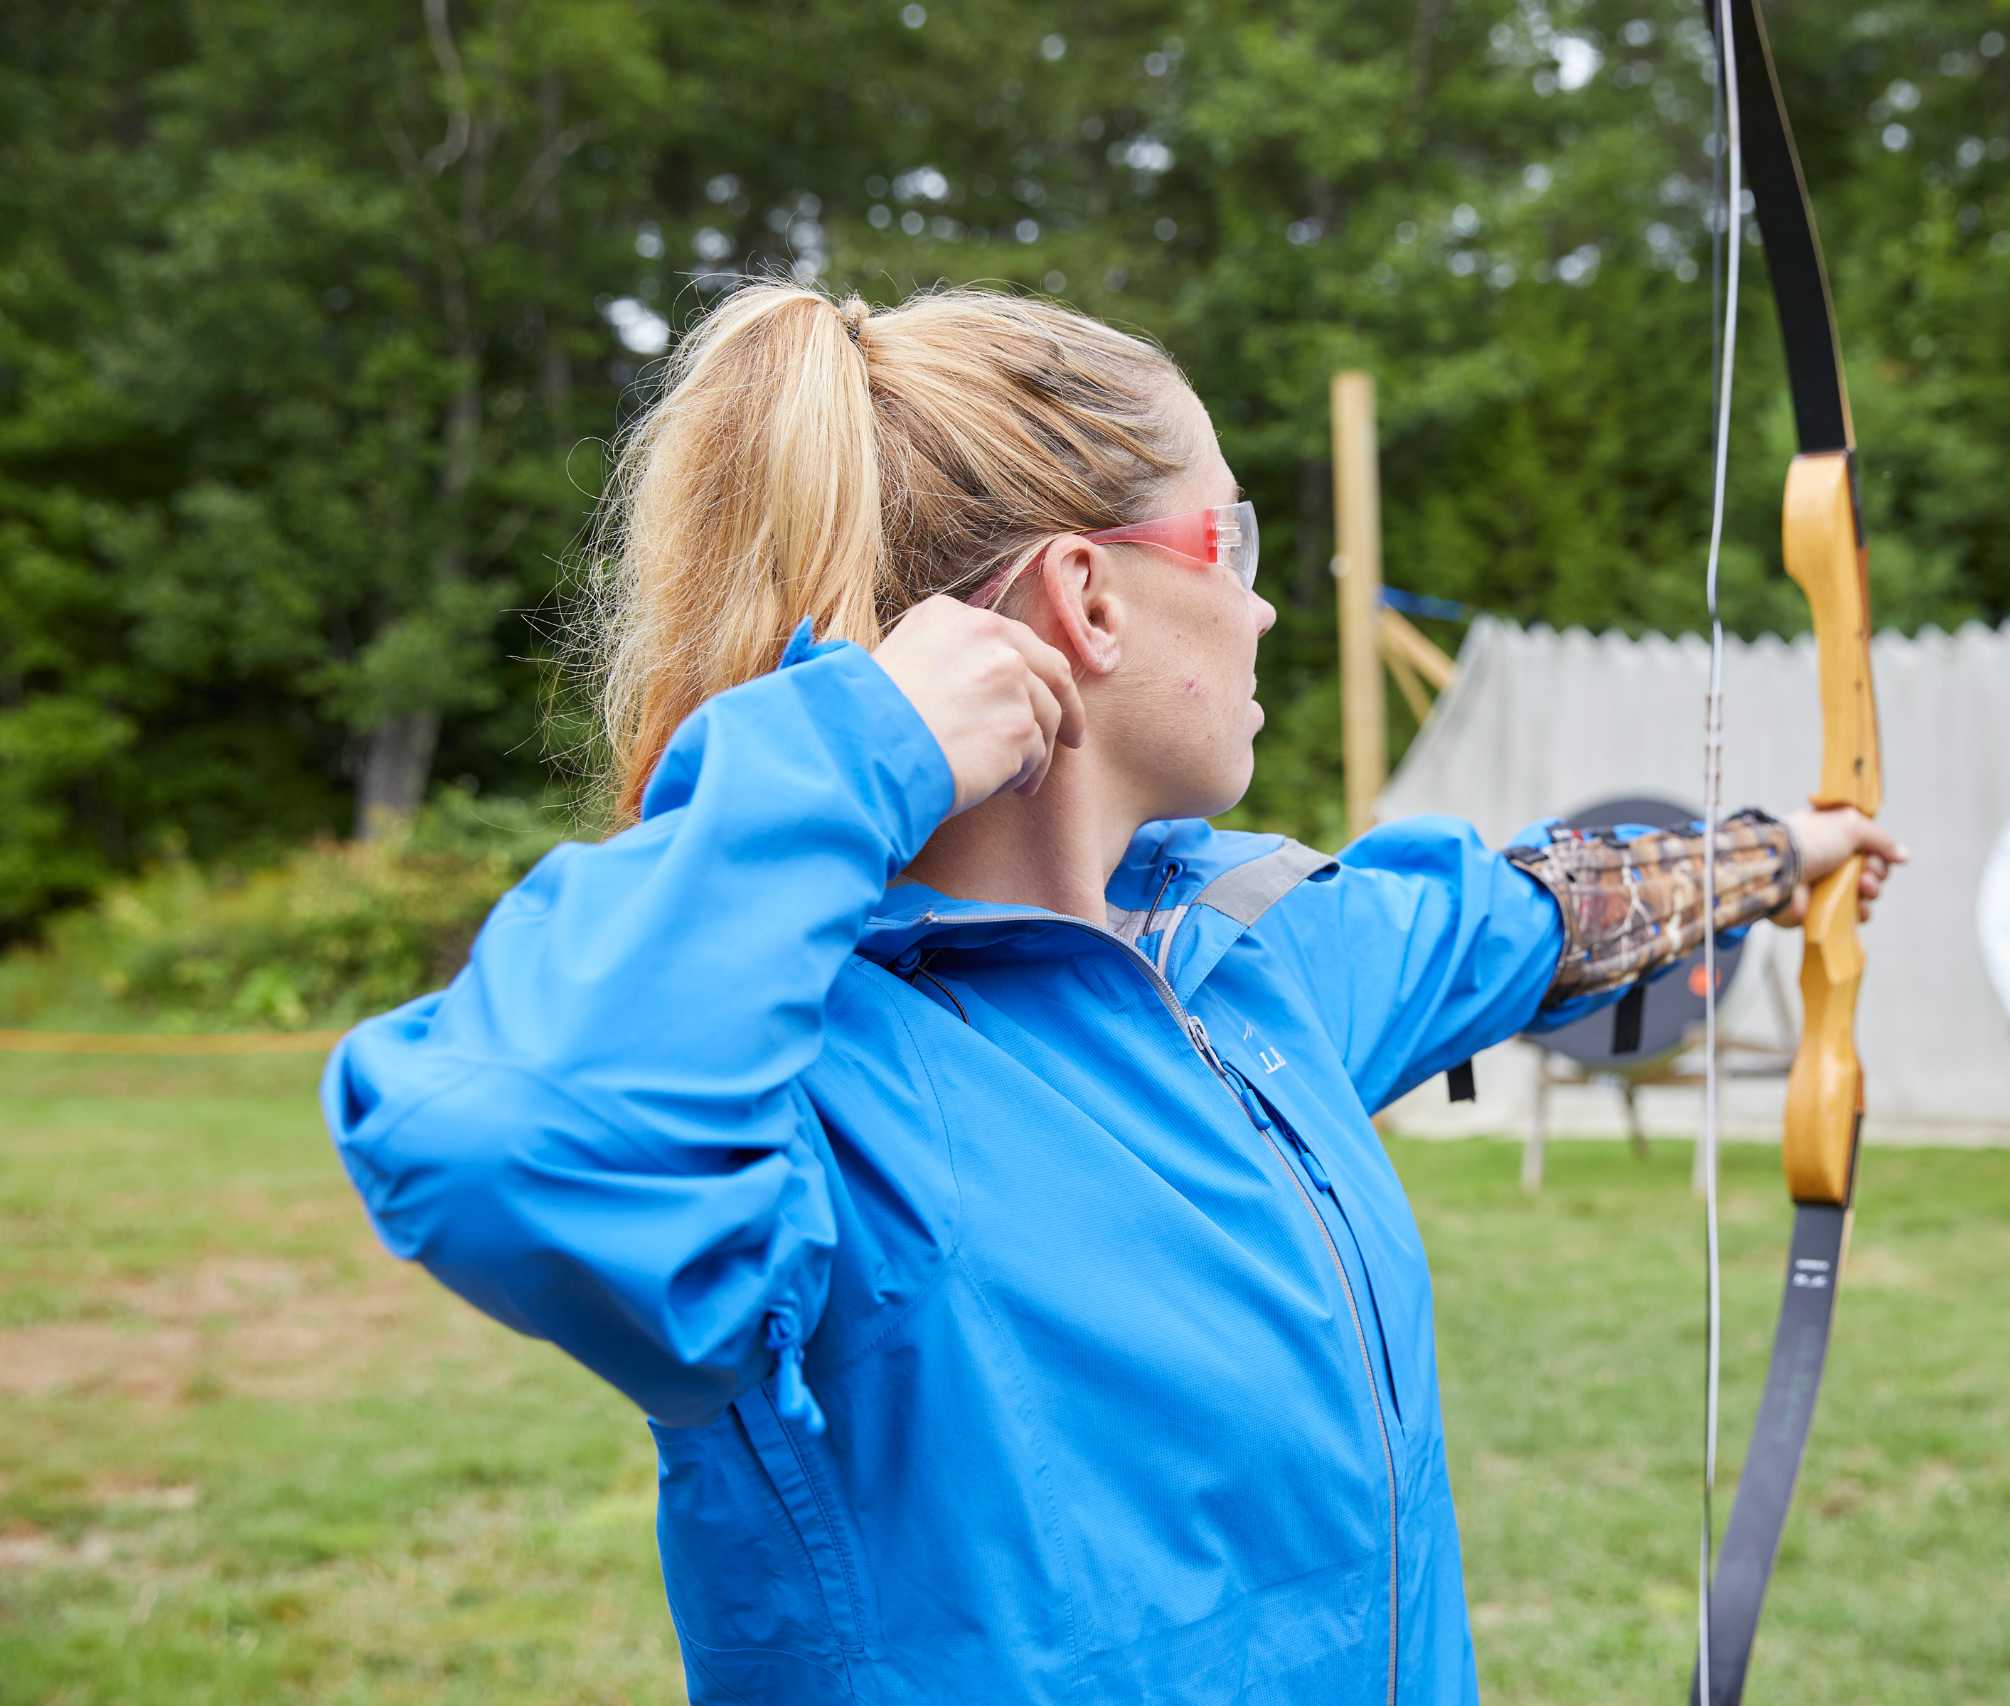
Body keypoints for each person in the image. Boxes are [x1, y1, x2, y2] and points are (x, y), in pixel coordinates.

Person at [320, 282, 1904, 1706]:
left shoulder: (1245, 951)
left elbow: (1516, 917)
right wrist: (861, 744)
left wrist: (1785, 854)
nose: (1267, 605)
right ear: (1088, 598)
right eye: (1241, 542)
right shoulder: (824, 1087)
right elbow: (514, 1129)